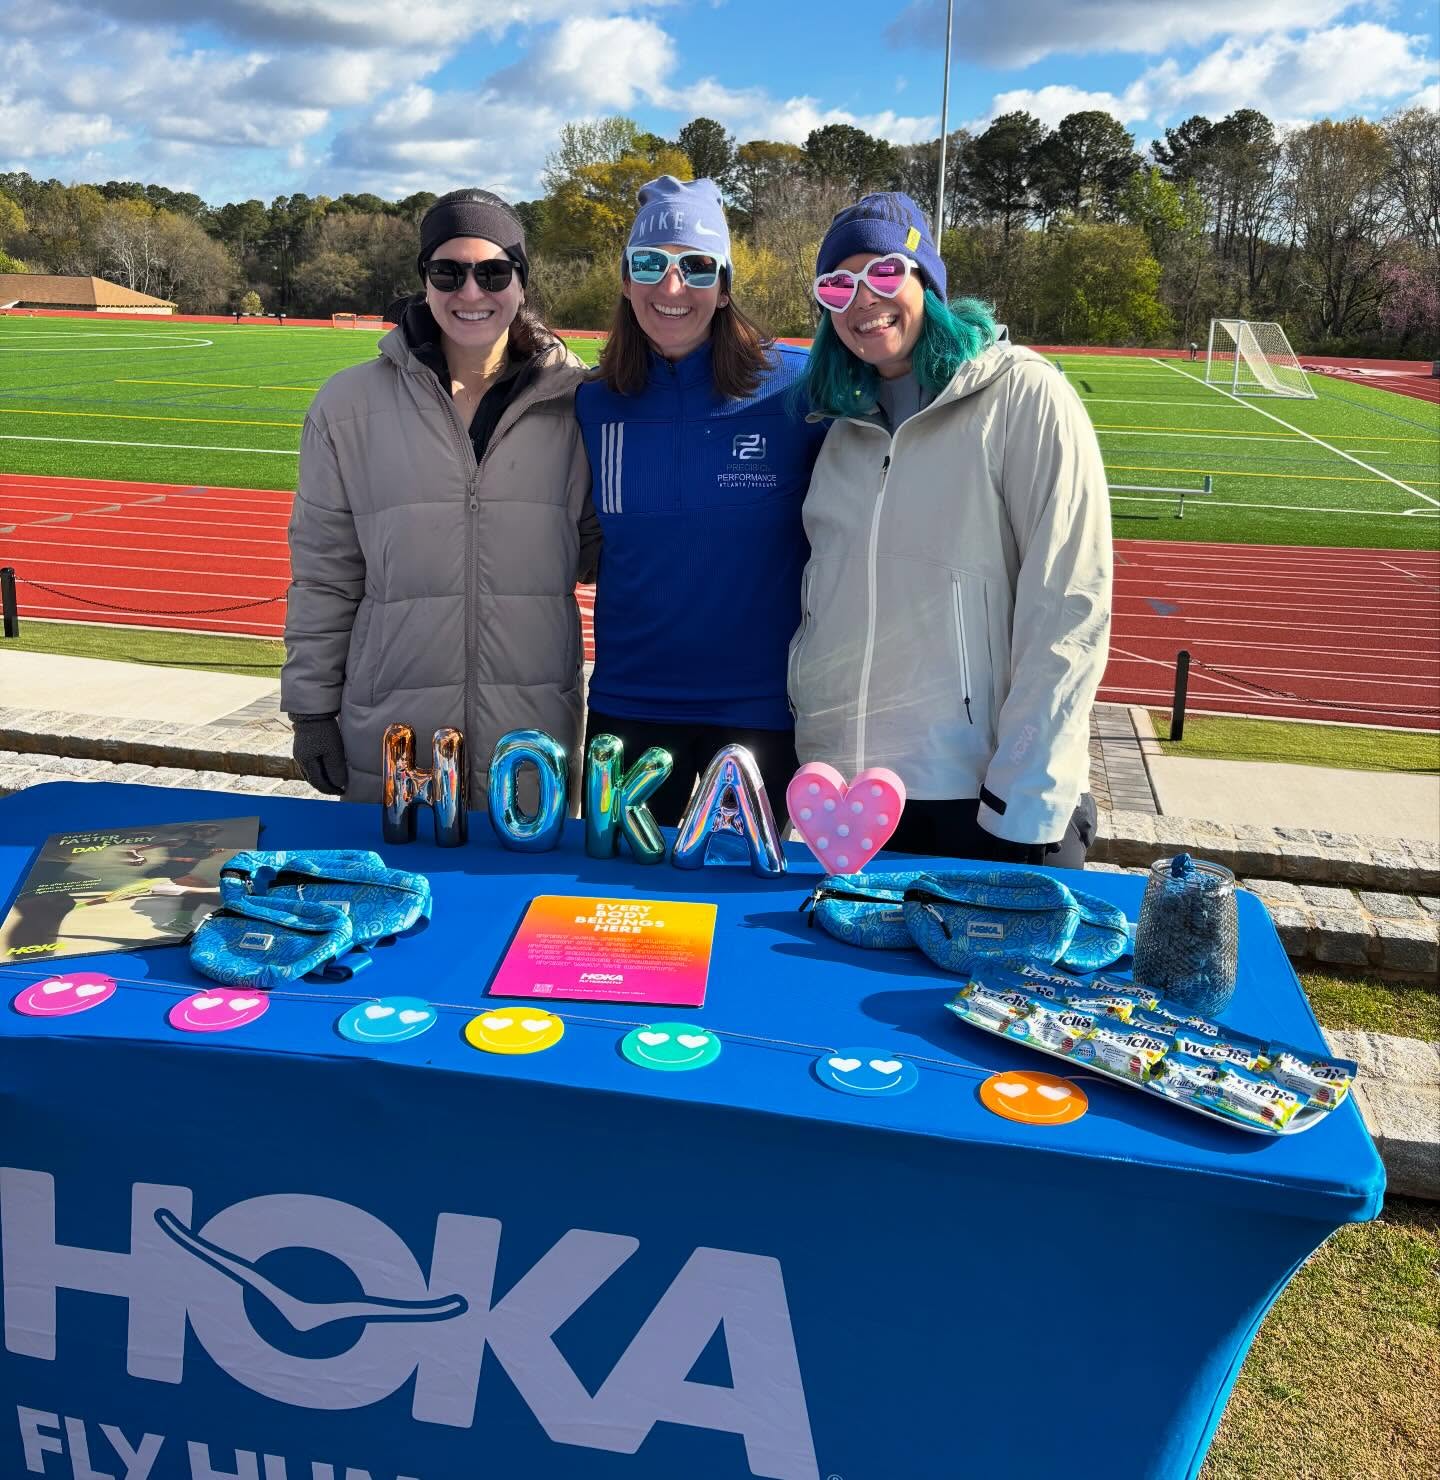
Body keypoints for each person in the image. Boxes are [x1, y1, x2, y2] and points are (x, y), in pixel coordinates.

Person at [789, 193, 1111, 865]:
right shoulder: (840, 430)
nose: (862, 300)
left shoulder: (1024, 394)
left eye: (884, 273)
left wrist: (1024, 796)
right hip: (851, 798)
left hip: (980, 799)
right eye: (838, 284)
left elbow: (1068, 609)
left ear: (926, 281)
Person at [283, 189, 597, 803]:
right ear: (424, 281)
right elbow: (325, 574)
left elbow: (612, 554)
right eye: (448, 273)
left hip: (533, 739)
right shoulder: (347, 407)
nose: (471, 293)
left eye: (493, 272)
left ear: (521, 282)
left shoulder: (581, 402)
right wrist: (312, 709)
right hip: (395, 738)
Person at [574, 176, 826, 825]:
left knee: (736, 907)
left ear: (724, 285)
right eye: (650, 265)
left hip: (760, 710)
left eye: (696, 266)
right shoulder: (593, 402)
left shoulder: (797, 388)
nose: (672, 287)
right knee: (614, 909)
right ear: (626, 281)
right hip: (629, 704)